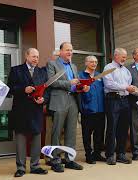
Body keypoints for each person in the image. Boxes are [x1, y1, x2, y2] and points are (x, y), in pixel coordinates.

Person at [47, 42, 87, 172]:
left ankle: (70, 159)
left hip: (73, 100)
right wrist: (69, 83)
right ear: (60, 51)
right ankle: (55, 160)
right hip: (59, 100)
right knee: (57, 132)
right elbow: (51, 82)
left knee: (71, 132)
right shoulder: (52, 64)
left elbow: (76, 84)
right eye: (67, 50)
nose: (70, 52)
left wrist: (82, 87)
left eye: (71, 50)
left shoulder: (73, 66)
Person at [8, 48, 48, 177]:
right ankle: (20, 168)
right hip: (20, 110)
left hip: (36, 110)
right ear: (26, 56)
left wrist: (43, 99)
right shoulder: (16, 70)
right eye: (33, 56)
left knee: (36, 138)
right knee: (21, 139)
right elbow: (9, 89)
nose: (36, 59)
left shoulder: (42, 71)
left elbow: (47, 91)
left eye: (37, 57)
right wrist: (23, 90)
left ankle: (35, 166)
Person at [103, 48, 135, 165]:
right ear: (115, 56)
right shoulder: (108, 68)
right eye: (122, 56)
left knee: (123, 129)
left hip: (124, 101)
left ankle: (121, 154)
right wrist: (126, 87)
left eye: (125, 56)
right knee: (112, 128)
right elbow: (109, 84)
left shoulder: (126, 71)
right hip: (113, 100)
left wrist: (132, 89)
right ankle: (110, 155)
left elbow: (129, 85)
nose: (124, 58)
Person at [78, 55, 106, 164]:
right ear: (86, 63)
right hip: (88, 110)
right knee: (87, 134)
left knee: (99, 134)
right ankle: (88, 155)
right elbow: (78, 91)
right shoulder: (81, 76)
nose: (94, 64)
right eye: (91, 62)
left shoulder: (100, 76)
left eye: (95, 62)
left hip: (100, 110)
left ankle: (97, 154)